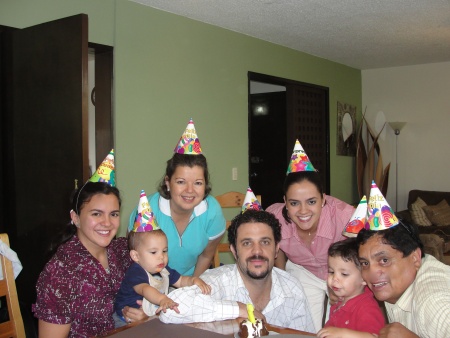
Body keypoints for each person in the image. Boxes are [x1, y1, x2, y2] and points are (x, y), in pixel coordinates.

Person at [159, 209, 316, 333]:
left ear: (276, 250)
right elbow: (169, 312)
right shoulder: (217, 281)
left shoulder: (292, 288)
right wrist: (239, 309)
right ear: (234, 251)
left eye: (265, 242)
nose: (257, 251)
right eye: (247, 243)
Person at [267, 140, 354, 330]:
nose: (303, 211)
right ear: (285, 202)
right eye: (294, 203)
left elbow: (365, 250)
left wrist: (340, 280)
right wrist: (281, 276)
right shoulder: (274, 217)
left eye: (312, 201)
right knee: (304, 328)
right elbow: (274, 245)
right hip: (303, 272)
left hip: (341, 272)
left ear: (323, 199)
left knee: (341, 328)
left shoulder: (345, 216)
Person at [129, 119, 226, 276]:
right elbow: (135, 258)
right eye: (181, 182)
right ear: (168, 182)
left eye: (198, 183)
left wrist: (191, 286)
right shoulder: (148, 209)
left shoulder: (212, 211)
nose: (189, 190)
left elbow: (207, 255)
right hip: (151, 284)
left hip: (191, 280)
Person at [114, 190, 211, 327]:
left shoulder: (163, 269)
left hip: (151, 314)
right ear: (136, 256)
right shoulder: (136, 271)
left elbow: (180, 280)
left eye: (164, 251)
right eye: (153, 252)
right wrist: (162, 299)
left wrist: (193, 280)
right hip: (125, 319)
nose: (161, 256)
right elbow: (145, 289)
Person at [357, 220, 450, 338]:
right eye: (365, 263)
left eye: (384, 260)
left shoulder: (433, 302)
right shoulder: (398, 284)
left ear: (415, 258)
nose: (371, 273)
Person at [317, 238, 385, 338]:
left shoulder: (367, 307)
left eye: (344, 274)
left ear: (364, 277)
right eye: (331, 272)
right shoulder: (340, 302)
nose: (335, 278)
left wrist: (342, 334)